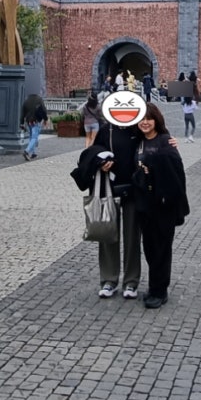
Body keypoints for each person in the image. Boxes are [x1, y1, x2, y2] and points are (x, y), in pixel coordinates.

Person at [71, 118, 143, 300]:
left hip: (135, 189)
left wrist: (170, 142)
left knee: (132, 236)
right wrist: (101, 161)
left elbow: (155, 139)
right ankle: (109, 279)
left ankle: (131, 281)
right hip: (109, 188)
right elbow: (93, 151)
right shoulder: (106, 129)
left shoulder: (139, 127)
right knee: (107, 233)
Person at [133, 103, 189, 309]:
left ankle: (160, 291)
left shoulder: (165, 141)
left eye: (149, 118)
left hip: (164, 204)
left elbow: (175, 169)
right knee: (149, 248)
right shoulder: (137, 141)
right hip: (145, 204)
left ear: (156, 120)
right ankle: (154, 286)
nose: (145, 122)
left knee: (162, 248)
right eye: (141, 119)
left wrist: (152, 166)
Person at [22, 91, 48, 160]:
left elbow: (23, 112)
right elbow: (43, 110)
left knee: (31, 137)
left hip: (29, 121)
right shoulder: (39, 99)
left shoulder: (26, 100)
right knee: (34, 137)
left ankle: (33, 153)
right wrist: (45, 119)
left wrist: (22, 122)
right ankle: (27, 151)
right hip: (36, 121)